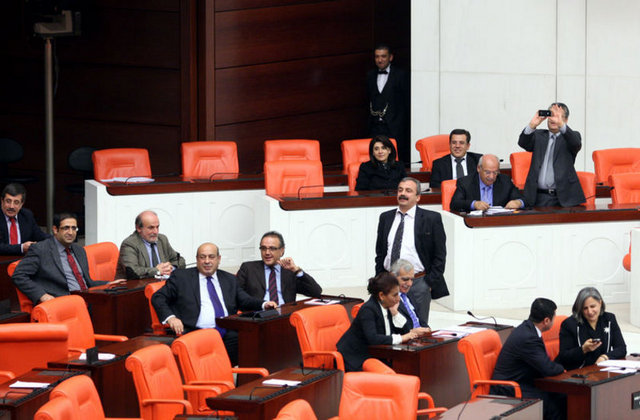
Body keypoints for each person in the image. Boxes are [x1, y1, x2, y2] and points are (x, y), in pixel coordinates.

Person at [152, 242, 277, 365]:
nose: (207, 261)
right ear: (197, 259)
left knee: (253, 345)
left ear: (219, 259)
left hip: (226, 332)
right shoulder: (181, 277)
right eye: (202, 257)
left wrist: (264, 304)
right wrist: (171, 318)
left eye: (211, 257)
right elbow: (158, 297)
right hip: (195, 332)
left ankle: (246, 378)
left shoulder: (229, 279)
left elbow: (245, 300)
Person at [375, 177, 447, 325]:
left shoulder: (431, 218)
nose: (403, 194)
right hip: (389, 280)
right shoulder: (386, 217)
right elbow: (380, 252)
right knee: (388, 325)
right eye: (400, 190)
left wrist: (428, 282)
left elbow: (440, 254)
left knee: (417, 327)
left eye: (408, 191)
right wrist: (380, 277)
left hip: (417, 282)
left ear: (418, 197)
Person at [12, 212, 125, 304]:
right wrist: (42, 295)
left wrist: (109, 283)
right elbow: (19, 275)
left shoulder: (79, 250)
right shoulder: (41, 249)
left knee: (119, 302)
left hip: (86, 298)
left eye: (74, 228)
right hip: (63, 302)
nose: (70, 232)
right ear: (55, 230)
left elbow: (87, 283)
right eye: (66, 228)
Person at [491, 298, 566, 420]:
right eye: (554, 316)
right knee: (551, 404)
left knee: (560, 396)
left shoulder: (527, 328)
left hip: (520, 382)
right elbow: (548, 369)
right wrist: (563, 369)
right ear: (546, 321)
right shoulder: (528, 337)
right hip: (508, 388)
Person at [336, 272, 428, 371]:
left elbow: (407, 331)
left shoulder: (388, 306)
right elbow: (373, 339)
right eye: (395, 295)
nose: (398, 299)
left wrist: (396, 313)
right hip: (354, 359)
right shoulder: (368, 310)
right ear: (381, 295)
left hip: (377, 355)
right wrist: (402, 337)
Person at [518, 103, 585, 207]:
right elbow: (523, 143)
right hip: (537, 197)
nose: (553, 119)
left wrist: (561, 124)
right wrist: (532, 125)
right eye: (551, 115)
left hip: (563, 199)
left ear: (566, 120)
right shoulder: (539, 135)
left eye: (558, 116)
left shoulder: (571, 136)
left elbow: (576, 143)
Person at [236, 231, 322, 305]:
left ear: (282, 250)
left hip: (284, 315)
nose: (267, 252)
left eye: (272, 248)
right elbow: (236, 294)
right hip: (258, 314)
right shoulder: (248, 268)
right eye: (263, 248)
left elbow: (316, 292)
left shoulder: (289, 272)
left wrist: (297, 270)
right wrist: (261, 305)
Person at [556, 287, 626, 371]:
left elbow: (621, 348)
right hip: (578, 373)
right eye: (585, 308)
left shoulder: (609, 319)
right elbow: (564, 356)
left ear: (600, 303)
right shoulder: (569, 324)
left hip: (602, 370)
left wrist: (605, 357)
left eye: (593, 306)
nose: (590, 312)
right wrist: (583, 349)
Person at [367, 44, 410, 164]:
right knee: (375, 158)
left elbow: (406, 101)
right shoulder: (370, 75)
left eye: (383, 56)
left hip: (394, 127)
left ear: (390, 57)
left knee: (395, 159)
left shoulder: (401, 75)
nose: (380, 60)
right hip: (375, 126)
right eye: (377, 57)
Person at [115, 210, 185, 279]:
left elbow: (180, 260)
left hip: (162, 283)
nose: (155, 232)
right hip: (137, 285)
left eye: (157, 227)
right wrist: (157, 271)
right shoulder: (129, 244)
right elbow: (133, 271)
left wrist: (171, 268)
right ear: (138, 228)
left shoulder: (162, 239)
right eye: (151, 228)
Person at [450, 154, 525, 212]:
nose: (491, 177)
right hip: (474, 223)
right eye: (488, 172)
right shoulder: (465, 182)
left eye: (495, 172)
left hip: (499, 222)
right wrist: (474, 204)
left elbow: (525, 200)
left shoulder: (505, 181)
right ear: (479, 168)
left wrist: (518, 203)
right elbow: (455, 203)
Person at [0, 183, 50, 255]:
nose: (11, 206)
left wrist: (58, 240)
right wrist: (21, 248)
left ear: (21, 204)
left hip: (25, 260)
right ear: (2, 201)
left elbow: (40, 236)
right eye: (8, 201)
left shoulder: (27, 215)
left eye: (16, 202)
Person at [390, 258, 430, 329]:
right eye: (405, 279)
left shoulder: (409, 294)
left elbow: (420, 319)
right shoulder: (388, 298)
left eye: (412, 279)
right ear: (393, 277)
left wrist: (428, 329)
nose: (410, 284)